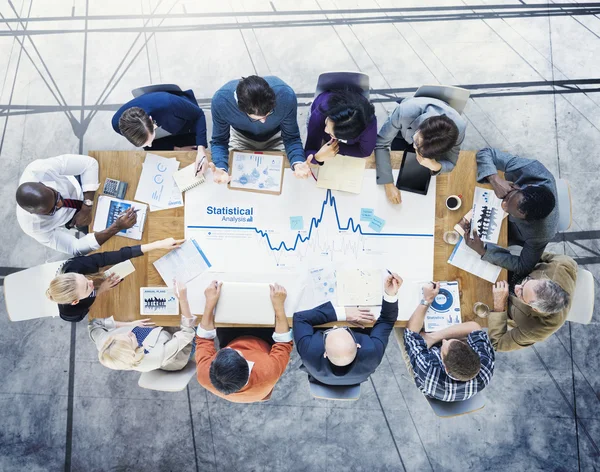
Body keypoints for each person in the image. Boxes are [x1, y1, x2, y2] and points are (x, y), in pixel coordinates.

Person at [16, 154, 137, 256]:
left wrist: (87, 206)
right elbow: (75, 247)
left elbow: (90, 163)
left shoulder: (40, 169)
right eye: (53, 210)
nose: (60, 203)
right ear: (35, 214)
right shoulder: (33, 226)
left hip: (81, 189)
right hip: (74, 219)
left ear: (42, 184)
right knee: (120, 242)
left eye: (56, 195)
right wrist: (116, 227)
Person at [293, 272, 401, 386]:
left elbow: (300, 318)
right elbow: (387, 321)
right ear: (358, 345)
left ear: (325, 353)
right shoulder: (373, 352)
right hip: (354, 376)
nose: (335, 326)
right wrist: (390, 294)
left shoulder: (309, 352)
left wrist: (343, 314)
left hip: (322, 376)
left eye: (330, 331)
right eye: (344, 329)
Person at [193, 281, 293, 403]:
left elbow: (204, 339)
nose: (237, 349)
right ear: (248, 365)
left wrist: (209, 303)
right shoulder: (267, 372)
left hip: (230, 339)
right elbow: (284, 343)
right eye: (238, 353)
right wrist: (279, 306)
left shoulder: (204, 373)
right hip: (264, 340)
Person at [464, 148, 559, 276]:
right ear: (527, 186)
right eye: (509, 197)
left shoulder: (541, 234)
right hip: (487, 202)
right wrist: (495, 179)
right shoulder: (533, 169)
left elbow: (523, 266)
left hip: (511, 232)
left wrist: (483, 251)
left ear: (529, 221)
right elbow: (486, 152)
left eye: (511, 212)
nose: (502, 205)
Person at [46, 238, 185, 323]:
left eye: (84, 277)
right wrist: (100, 290)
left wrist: (158, 244)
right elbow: (85, 306)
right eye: (87, 288)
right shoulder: (71, 313)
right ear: (75, 301)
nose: (91, 283)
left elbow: (112, 256)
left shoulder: (74, 266)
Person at [398, 282, 495, 402]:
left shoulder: (429, 369)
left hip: (427, 373)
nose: (444, 341)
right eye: (448, 341)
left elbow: (410, 334)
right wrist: (434, 337)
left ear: (444, 366)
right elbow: (474, 327)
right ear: (472, 350)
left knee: (399, 319)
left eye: (443, 346)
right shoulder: (484, 365)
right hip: (447, 372)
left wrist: (427, 299)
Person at [208, 75, 311, 182]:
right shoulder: (221, 101)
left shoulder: (286, 96)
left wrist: (298, 162)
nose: (263, 121)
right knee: (239, 181)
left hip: (276, 135)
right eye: (257, 118)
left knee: (281, 181)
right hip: (241, 136)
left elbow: (291, 138)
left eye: (269, 113)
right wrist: (220, 166)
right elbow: (219, 141)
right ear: (241, 109)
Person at [375, 97, 467, 204]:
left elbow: (451, 162)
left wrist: (435, 166)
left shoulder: (459, 129)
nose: (414, 147)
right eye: (416, 141)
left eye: (419, 150)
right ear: (419, 129)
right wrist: (388, 183)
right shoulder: (404, 111)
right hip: (403, 129)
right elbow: (380, 143)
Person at [88, 280, 196, 372]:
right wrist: (183, 299)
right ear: (133, 352)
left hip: (158, 328)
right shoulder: (155, 356)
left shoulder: (105, 341)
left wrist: (128, 324)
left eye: (122, 334)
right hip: (178, 349)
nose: (130, 332)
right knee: (198, 316)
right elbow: (187, 333)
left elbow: (93, 324)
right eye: (130, 339)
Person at [487, 254, 577, 351]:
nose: (517, 287)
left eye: (521, 293)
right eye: (527, 281)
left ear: (535, 309)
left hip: (504, 303)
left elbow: (498, 344)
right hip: (516, 270)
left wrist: (499, 306)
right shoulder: (562, 265)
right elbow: (537, 254)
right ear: (544, 280)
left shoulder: (536, 330)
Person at [111, 89, 208, 175]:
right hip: (164, 130)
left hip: (183, 119)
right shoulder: (118, 125)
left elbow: (198, 115)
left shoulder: (169, 103)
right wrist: (177, 149)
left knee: (195, 156)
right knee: (159, 154)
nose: (149, 145)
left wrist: (201, 150)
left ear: (151, 119)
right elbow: (149, 145)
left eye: (149, 141)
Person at [304, 89, 376, 163]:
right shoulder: (319, 113)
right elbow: (309, 149)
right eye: (327, 123)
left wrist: (336, 149)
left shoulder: (369, 125)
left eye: (333, 134)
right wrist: (318, 157)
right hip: (323, 105)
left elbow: (365, 151)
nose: (325, 130)